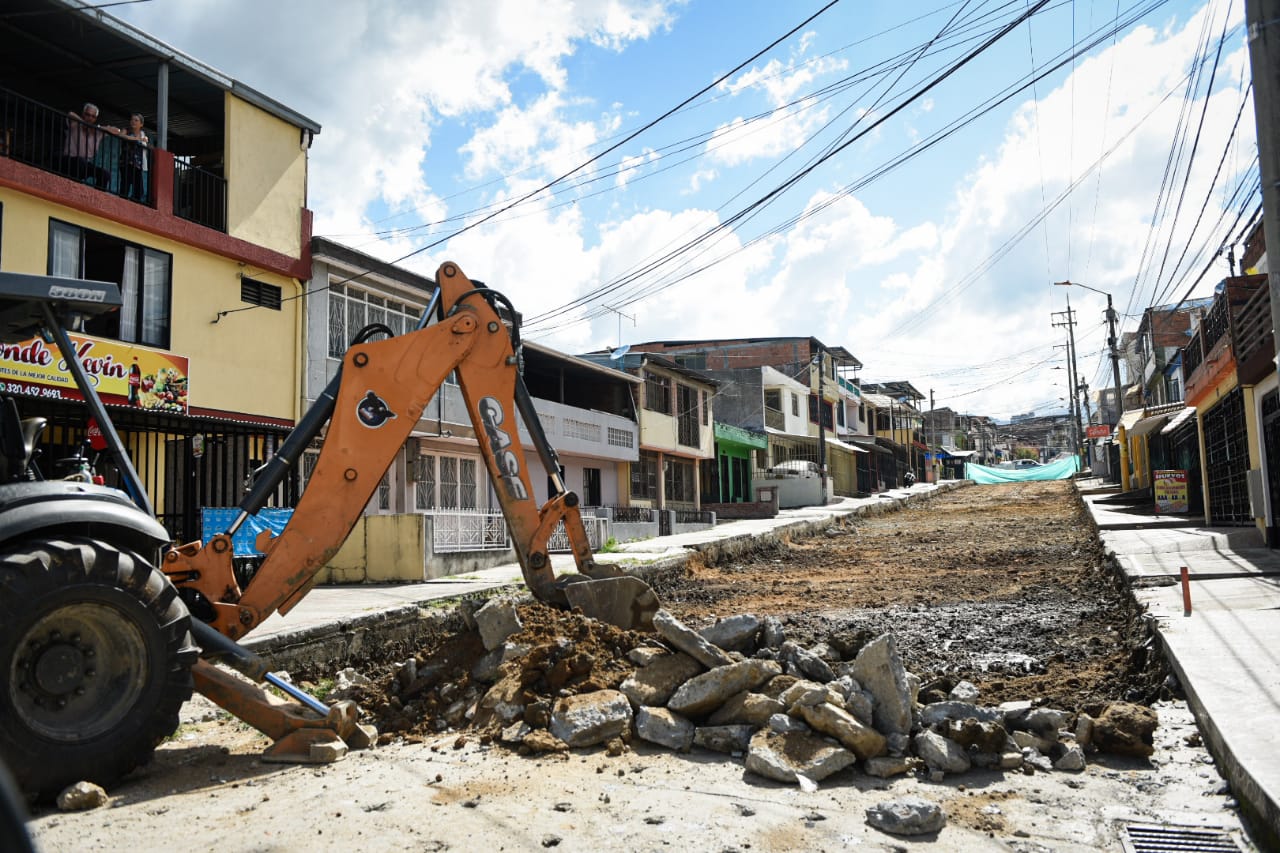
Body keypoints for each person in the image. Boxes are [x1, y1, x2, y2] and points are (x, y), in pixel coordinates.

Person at [61, 103, 114, 188]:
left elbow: (117, 131)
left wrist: (97, 128)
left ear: (96, 118)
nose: (90, 118)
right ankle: (73, 188)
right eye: (88, 115)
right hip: (68, 160)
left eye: (93, 116)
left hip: (85, 163)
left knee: (105, 174)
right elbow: (71, 114)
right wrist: (84, 123)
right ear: (83, 114)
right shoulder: (75, 124)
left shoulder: (97, 132)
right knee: (80, 162)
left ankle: (97, 196)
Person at [111, 112, 149, 201]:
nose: (133, 122)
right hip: (126, 162)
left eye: (136, 120)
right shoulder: (126, 130)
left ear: (141, 124)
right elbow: (121, 135)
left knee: (139, 190)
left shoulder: (143, 134)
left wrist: (142, 140)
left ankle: (133, 204)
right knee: (125, 184)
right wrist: (135, 139)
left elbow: (145, 148)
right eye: (132, 120)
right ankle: (121, 202)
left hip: (138, 165)